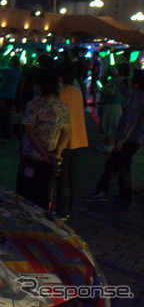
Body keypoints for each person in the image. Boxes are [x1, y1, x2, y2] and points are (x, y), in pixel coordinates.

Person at [86, 70, 144, 205]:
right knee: (122, 167)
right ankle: (123, 196)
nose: (129, 82)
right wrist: (117, 78)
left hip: (129, 140)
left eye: (131, 80)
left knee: (112, 166)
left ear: (136, 84)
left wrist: (120, 141)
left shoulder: (137, 101)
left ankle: (103, 191)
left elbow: (130, 123)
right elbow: (126, 93)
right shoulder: (138, 96)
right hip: (133, 140)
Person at [16, 69, 70, 211]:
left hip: (32, 157)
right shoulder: (61, 106)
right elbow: (66, 131)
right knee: (44, 196)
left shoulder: (33, 105)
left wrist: (42, 152)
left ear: (39, 86)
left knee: (25, 195)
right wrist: (57, 151)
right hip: (51, 158)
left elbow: (30, 131)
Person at [55, 62, 88, 220]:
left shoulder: (62, 94)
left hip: (67, 140)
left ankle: (62, 210)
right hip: (79, 138)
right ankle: (69, 207)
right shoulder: (76, 91)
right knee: (72, 175)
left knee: (63, 177)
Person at [0, 56, 21, 140]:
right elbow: (5, 68)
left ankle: (4, 135)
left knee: (2, 116)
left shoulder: (10, 71)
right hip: (10, 96)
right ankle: (6, 134)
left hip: (4, 96)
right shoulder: (17, 71)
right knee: (7, 115)